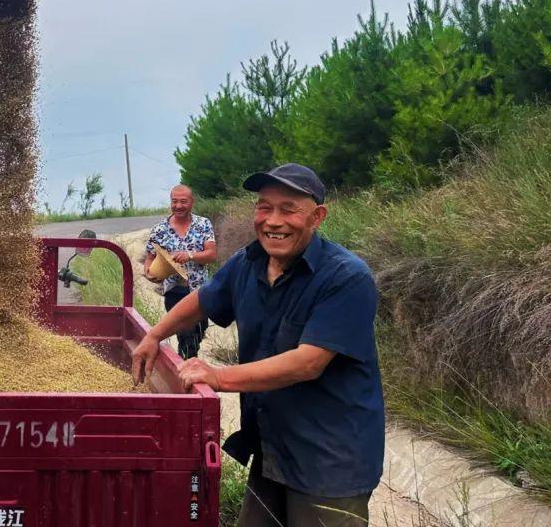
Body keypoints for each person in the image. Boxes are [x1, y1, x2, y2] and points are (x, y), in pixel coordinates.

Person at [132, 164, 384, 527]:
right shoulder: (248, 263)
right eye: (264, 207)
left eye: (288, 209)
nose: (273, 221)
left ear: (317, 217)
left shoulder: (346, 277)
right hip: (272, 448)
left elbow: (307, 363)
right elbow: (204, 299)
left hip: (330, 460)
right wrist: (154, 335)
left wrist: (218, 376)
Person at [142, 185, 217, 360]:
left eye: (183, 201)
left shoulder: (203, 224)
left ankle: (185, 364)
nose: (178, 205)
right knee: (186, 335)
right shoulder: (159, 229)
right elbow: (149, 258)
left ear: (192, 202)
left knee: (198, 332)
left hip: (200, 290)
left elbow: (212, 254)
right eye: (174, 201)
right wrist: (149, 273)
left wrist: (190, 256)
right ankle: (185, 369)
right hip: (174, 292)